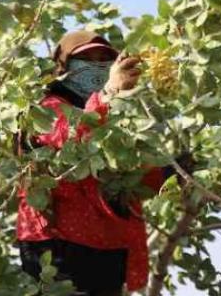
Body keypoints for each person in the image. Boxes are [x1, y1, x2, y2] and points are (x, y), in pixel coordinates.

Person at [16, 30, 170, 296]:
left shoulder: (118, 119)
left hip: (109, 247)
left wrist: (170, 173)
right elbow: (73, 141)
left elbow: (129, 183)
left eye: (104, 59)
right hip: (58, 243)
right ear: (63, 67)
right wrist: (109, 93)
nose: (98, 66)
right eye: (87, 59)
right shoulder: (45, 108)